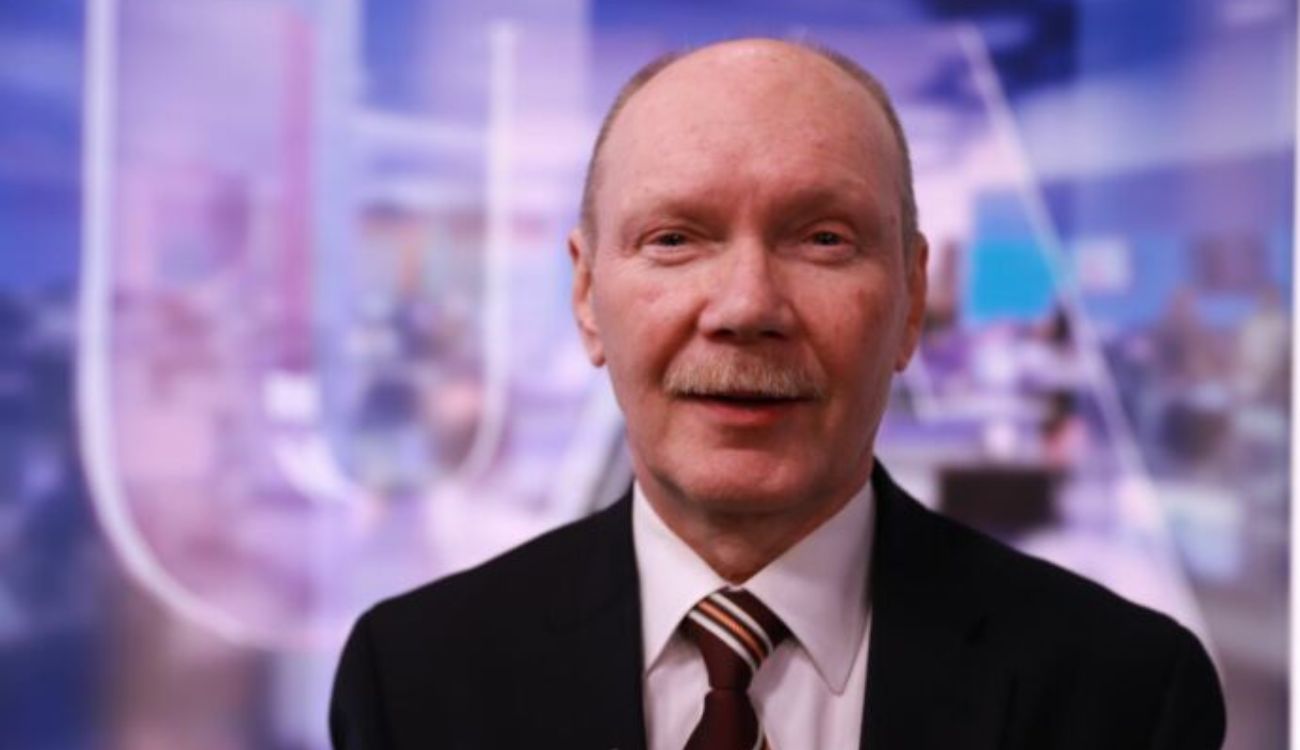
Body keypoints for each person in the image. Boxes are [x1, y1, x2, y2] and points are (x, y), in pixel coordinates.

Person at [330, 38, 1225, 749]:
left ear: (912, 298)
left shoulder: (1125, 695)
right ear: (586, 293)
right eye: (675, 239)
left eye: (824, 239)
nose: (747, 307)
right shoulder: (410, 681)